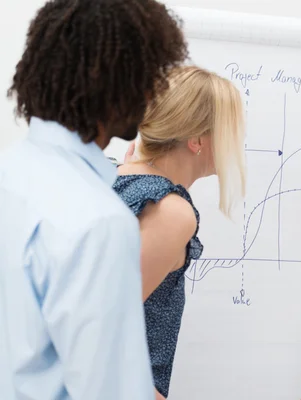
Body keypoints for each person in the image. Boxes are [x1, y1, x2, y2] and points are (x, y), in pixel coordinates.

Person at [0, 1, 188, 399]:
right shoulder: (100, 221)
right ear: (113, 80)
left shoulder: (11, 174)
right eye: (147, 75)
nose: (153, 91)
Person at [113, 65, 247, 399]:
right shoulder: (170, 211)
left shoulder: (115, 174)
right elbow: (100, 328)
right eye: (230, 129)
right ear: (197, 140)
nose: (237, 141)